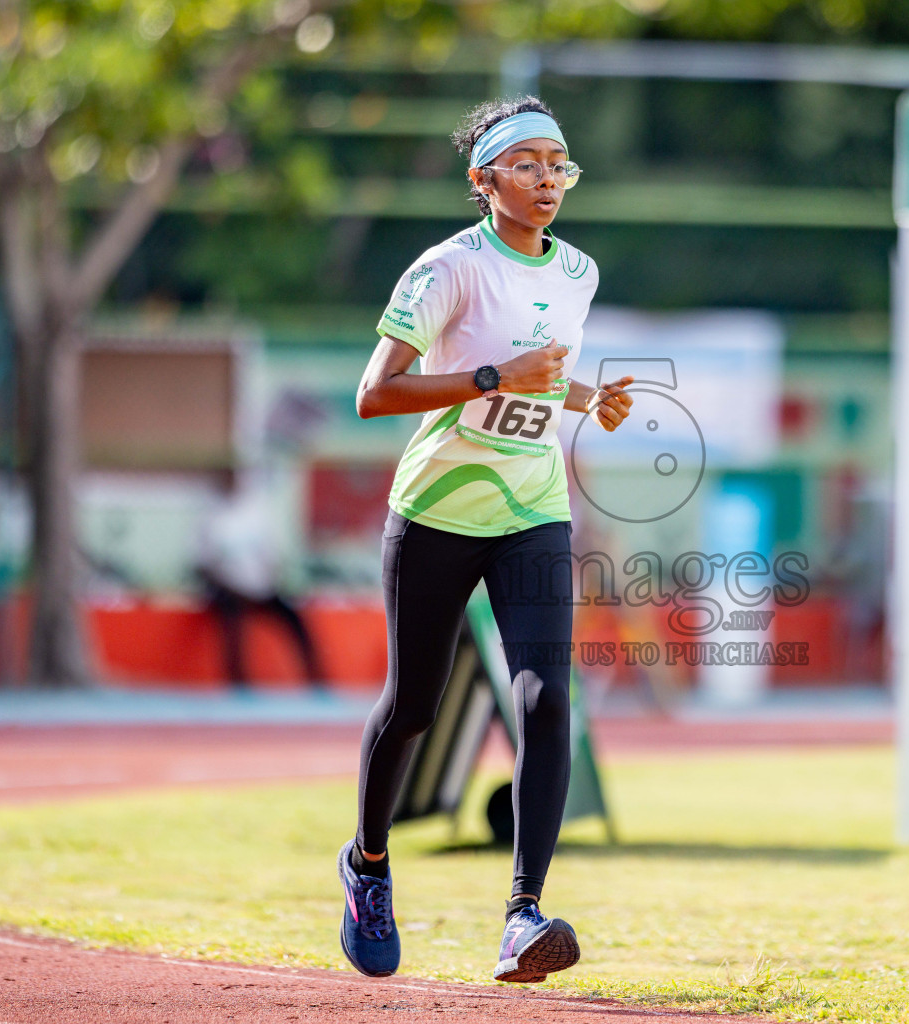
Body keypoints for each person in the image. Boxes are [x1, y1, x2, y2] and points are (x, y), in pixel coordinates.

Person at [336, 97, 636, 984]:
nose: (548, 179)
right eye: (528, 164)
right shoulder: (446, 270)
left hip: (533, 508)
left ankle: (522, 916)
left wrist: (586, 399)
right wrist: (492, 376)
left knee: (547, 702)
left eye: (560, 164)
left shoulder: (578, 270)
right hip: (436, 508)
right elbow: (375, 393)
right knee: (414, 709)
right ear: (484, 181)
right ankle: (368, 865)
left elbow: (542, 371)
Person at [198, 473, 326, 690]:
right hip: (231, 592)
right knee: (233, 623)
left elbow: (272, 557)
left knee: (294, 619)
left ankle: (317, 678)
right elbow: (204, 566)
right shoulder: (211, 519)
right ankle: (238, 681)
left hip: (261, 589)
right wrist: (233, 587)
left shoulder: (255, 513)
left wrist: (271, 580)